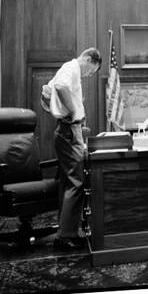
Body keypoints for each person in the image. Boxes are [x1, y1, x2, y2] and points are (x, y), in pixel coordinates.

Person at [42, 48, 102, 250]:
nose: (89, 74)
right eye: (91, 70)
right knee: (77, 182)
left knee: (69, 182)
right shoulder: (72, 68)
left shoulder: (68, 68)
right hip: (68, 130)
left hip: (69, 130)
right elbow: (59, 86)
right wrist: (73, 111)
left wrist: (68, 114)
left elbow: (46, 92)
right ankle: (66, 236)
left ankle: (66, 230)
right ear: (88, 58)